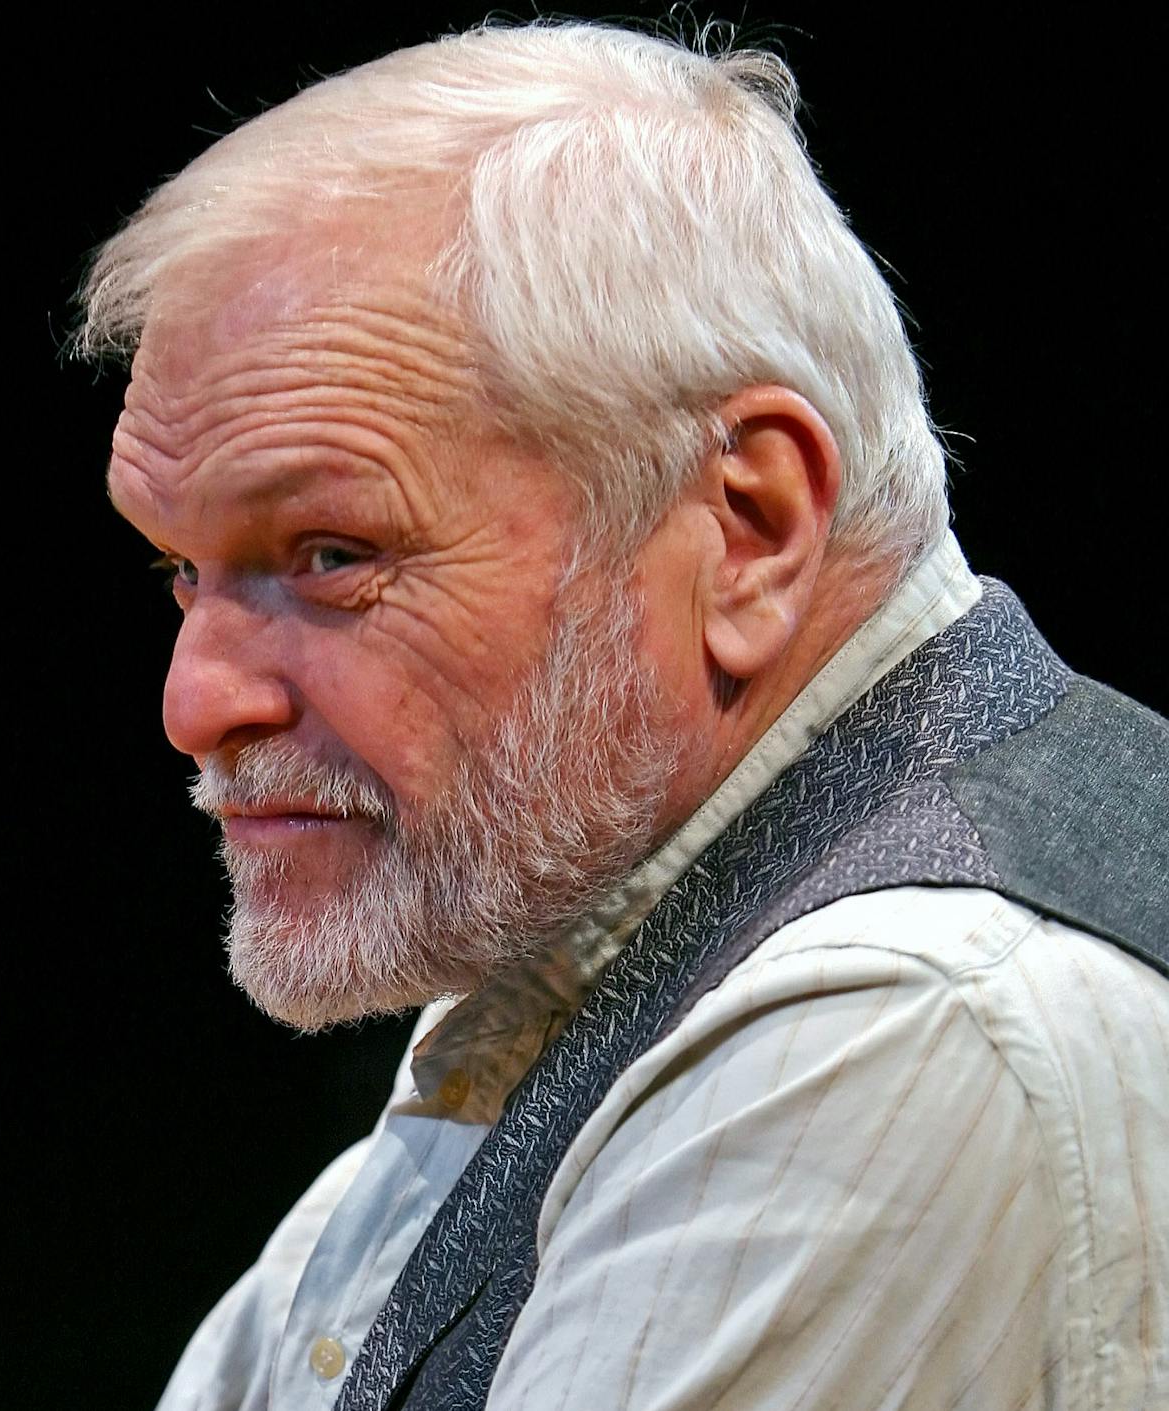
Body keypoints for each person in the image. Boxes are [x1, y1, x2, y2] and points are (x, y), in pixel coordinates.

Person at [77, 21, 1168, 1411]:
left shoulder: (902, 1029)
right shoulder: (581, 973)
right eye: (183, 569)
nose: (197, 703)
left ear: (750, 529)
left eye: (332, 557)